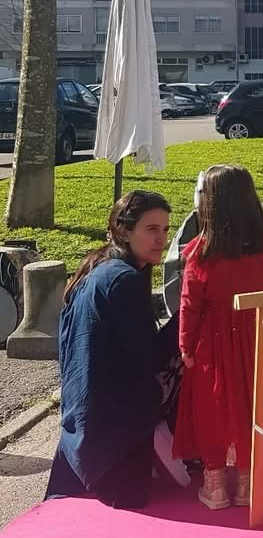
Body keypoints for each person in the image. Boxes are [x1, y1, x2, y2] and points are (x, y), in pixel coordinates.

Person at [46, 191, 185, 509]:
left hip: (83, 422)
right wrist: (188, 315)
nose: (161, 239)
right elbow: (150, 358)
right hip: (111, 435)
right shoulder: (123, 280)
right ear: (124, 230)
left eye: (165, 229)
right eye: (151, 229)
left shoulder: (100, 266)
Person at [173, 165, 263, 510]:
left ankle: (215, 485)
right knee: (255, 406)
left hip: (214, 340)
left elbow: (189, 304)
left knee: (213, 411)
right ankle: (249, 483)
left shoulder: (200, 252)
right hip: (258, 334)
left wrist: (185, 345)